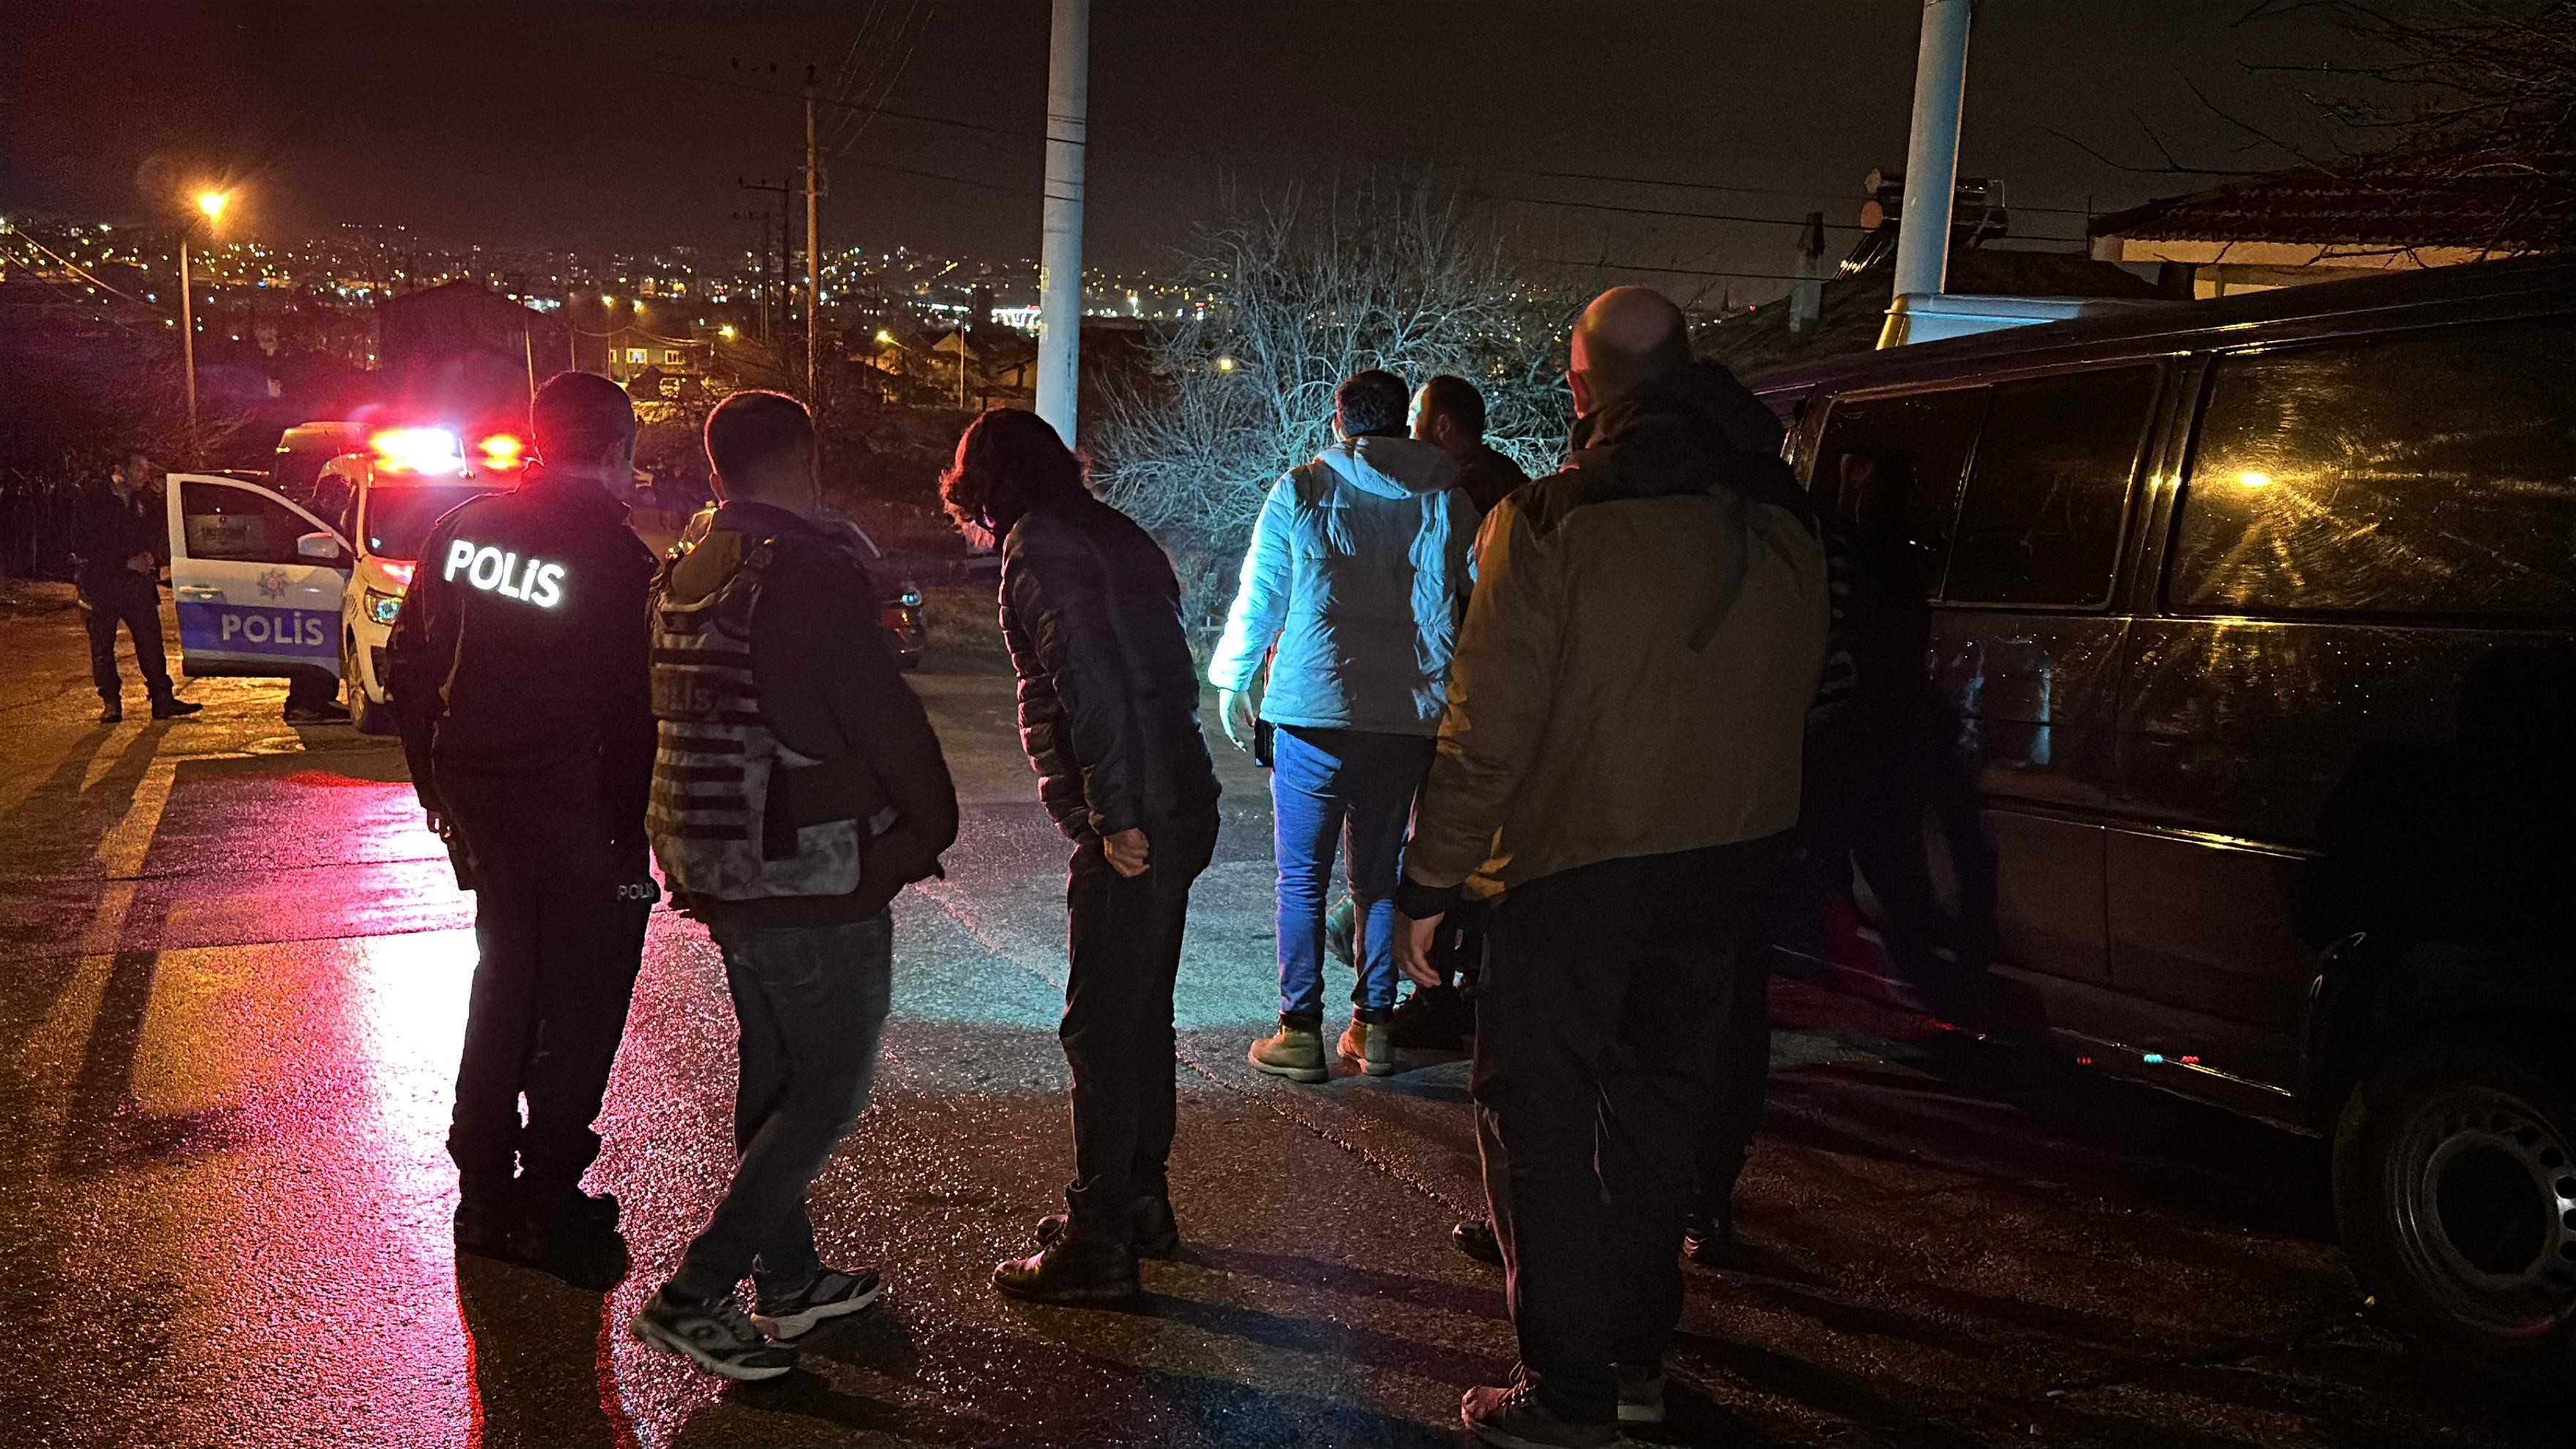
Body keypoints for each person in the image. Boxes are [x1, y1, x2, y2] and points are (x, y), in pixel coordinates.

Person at [1394, 287, 1827, 1446]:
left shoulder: (1549, 525)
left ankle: (1568, 1389)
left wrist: (1426, 889)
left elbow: (1487, 738)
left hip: (1571, 875)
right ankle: (1636, 1362)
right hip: (1723, 873)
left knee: (1536, 1120)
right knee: (1655, 1118)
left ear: (1582, 388)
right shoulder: (1782, 521)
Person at [626, 392, 961, 1379]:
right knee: (826, 1092)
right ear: (807, 460)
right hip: (812, 874)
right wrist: (922, 831)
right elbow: (881, 718)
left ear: (718, 468)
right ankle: (696, 1295)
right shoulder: (809, 572)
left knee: (772, 1076)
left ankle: (790, 1281)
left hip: (712, 862)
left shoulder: (687, 566)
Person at [942, 408, 1222, 1304]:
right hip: (1180, 793)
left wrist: (1111, 810)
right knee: (1138, 1016)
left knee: (1101, 1025)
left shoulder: (1040, 544)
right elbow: (1158, 669)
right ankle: (1139, 1204)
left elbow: (1087, 676)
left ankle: (1099, 1237)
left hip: (1136, 808)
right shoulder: (1113, 532)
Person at [386, 371, 659, 1293]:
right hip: (573, 808)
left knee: (502, 978)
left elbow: (409, 665)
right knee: (579, 998)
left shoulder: (460, 531)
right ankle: (546, 1201)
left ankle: (481, 1198)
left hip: (479, 797)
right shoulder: (618, 563)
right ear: (618, 450)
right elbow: (635, 717)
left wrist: (437, 787)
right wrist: (630, 843)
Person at [1211, 370, 1475, 1082]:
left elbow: (1261, 595)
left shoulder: (1300, 488)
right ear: (1404, 424)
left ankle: (1298, 1033)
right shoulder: (1449, 500)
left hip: (1311, 713)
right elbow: (1477, 595)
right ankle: (1374, 1028)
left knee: (1300, 878)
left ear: (1339, 424)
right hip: (1408, 719)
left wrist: (1230, 679)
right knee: (1378, 881)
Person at [72, 453, 200, 724]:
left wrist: (151, 557)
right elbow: (83, 545)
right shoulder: (93, 499)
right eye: (139, 470)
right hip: (103, 584)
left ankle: (162, 699)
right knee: (103, 646)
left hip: (137, 585)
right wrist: (124, 562)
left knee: (151, 643)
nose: (145, 476)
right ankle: (111, 702)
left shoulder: (143, 501)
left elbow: (151, 534)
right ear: (120, 470)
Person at [1412, 374, 1531, 515]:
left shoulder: (1459, 494)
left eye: (1415, 418)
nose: (1410, 430)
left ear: (1443, 426)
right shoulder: (1506, 472)